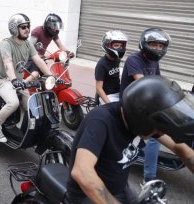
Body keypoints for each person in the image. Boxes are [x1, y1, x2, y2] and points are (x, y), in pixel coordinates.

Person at [67, 75, 194, 204]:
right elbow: (82, 172)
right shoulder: (101, 121)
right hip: (85, 195)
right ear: (142, 120)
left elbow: (182, 150)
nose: (160, 133)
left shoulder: (141, 121)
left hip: (119, 188)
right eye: (157, 129)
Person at [119, 27, 171, 185]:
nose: (157, 48)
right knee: (156, 135)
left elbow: (158, 81)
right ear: (145, 43)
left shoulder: (154, 61)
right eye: (154, 45)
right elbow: (144, 85)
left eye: (160, 46)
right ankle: (149, 179)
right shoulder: (134, 60)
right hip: (132, 106)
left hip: (147, 104)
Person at [0, 13, 53, 143]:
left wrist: (51, 75)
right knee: (14, 103)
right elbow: (7, 63)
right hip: (4, 80)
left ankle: (24, 128)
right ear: (14, 29)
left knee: (31, 104)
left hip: (20, 82)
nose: (27, 29)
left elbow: (38, 60)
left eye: (28, 26)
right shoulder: (6, 44)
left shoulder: (27, 44)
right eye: (23, 27)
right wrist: (14, 80)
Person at [94, 30, 128, 104]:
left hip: (117, 92)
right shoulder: (102, 64)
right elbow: (98, 88)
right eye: (116, 45)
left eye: (121, 46)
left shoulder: (117, 59)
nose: (119, 48)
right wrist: (109, 104)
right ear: (107, 45)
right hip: (107, 95)